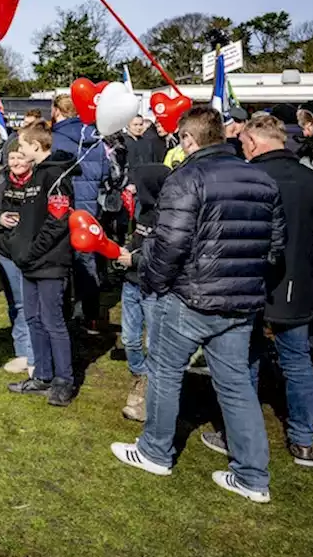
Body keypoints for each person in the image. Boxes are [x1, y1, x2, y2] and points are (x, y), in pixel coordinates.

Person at [111, 107, 285, 504]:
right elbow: (275, 247)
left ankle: (156, 451)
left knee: (165, 372)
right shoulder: (262, 178)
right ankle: (253, 476)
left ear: (188, 140)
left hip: (191, 297)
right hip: (240, 301)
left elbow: (169, 244)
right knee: (237, 384)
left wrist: (153, 284)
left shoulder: (185, 177)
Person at [198, 116, 313, 467]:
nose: (241, 150)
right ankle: (302, 440)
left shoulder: (252, 177)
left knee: (245, 359)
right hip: (298, 281)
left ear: (253, 143)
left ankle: (237, 433)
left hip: (253, 278)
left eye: (242, 144)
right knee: (295, 359)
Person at [6, 121, 79, 406]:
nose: (20, 151)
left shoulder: (57, 177)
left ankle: (64, 381)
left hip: (50, 261)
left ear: (36, 146)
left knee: (53, 321)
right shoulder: (35, 175)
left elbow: (57, 222)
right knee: (33, 319)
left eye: (22, 146)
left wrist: (33, 251)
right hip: (30, 262)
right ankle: (43, 375)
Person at [115, 161, 171, 421]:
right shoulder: (143, 211)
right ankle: (140, 374)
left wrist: (135, 261)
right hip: (131, 282)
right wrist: (126, 250)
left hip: (152, 286)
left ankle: (149, 389)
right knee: (129, 338)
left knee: (154, 341)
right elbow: (139, 240)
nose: (134, 189)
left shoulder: (169, 216)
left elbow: (164, 255)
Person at [50, 94, 109, 333]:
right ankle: (90, 315)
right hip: (90, 209)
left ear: (56, 110)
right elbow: (106, 173)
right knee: (87, 262)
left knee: (61, 263)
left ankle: (61, 314)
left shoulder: (56, 139)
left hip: (64, 209)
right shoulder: (96, 139)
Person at [0, 148, 35, 374]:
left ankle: (34, 355)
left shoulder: (40, 181)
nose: (15, 162)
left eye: (20, 157)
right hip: (5, 250)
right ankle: (22, 351)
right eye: (11, 158)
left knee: (31, 304)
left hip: (32, 250)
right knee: (15, 303)